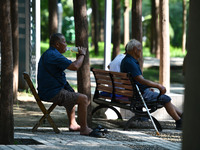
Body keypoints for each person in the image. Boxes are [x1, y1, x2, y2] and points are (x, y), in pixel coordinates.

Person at [37, 33, 99, 136]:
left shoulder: (51, 53)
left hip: (48, 90)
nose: (66, 44)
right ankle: (84, 129)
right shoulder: (54, 55)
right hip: (52, 92)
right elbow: (75, 66)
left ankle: (73, 124)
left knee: (72, 94)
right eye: (64, 42)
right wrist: (82, 54)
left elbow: (67, 57)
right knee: (83, 99)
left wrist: (74, 51)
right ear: (57, 44)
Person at [120, 39, 183, 130]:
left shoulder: (127, 60)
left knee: (164, 98)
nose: (141, 51)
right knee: (165, 98)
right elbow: (140, 79)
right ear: (134, 49)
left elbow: (138, 80)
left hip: (135, 92)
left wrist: (148, 87)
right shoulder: (130, 62)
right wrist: (158, 86)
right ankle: (179, 121)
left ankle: (182, 116)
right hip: (139, 95)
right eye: (140, 49)